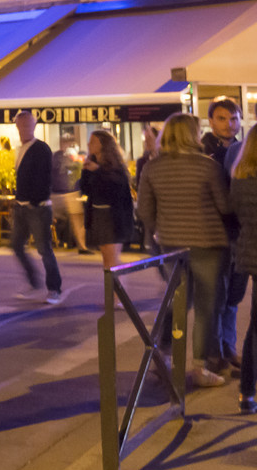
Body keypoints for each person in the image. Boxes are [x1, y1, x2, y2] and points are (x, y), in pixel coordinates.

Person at [138, 112, 234, 386]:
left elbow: (144, 211)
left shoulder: (152, 168)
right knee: (206, 307)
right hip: (209, 243)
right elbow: (225, 206)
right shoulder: (208, 167)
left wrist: (164, 228)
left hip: (171, 244)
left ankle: (163, 353)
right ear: (192, 135)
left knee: (176, 301)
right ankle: (200, 367)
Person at [205, 98, 246, 368]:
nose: (229, 124)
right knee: (215, 297)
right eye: (222, 118)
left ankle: (228, 347)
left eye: (233, 119)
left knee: (234, 295)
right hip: (214, 232)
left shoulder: (247, 149)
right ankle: (214, 352)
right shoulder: (202, 152)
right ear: (210, 121)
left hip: (241, 233)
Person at [9, 110, 64, 304]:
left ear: (33, 126)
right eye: (21, 126)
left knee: (44, 248)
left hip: (37, 207)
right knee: (16, 245)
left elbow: (44, 178)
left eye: (27, 125)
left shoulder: (41, 149)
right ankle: (34, 282)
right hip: (22, 206)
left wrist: (33, 201)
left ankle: (54, 288)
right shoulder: (20, 149)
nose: (24, 129)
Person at [228, 139, 257, 413]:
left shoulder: (240, 180)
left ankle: (247, 392)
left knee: (254, 328)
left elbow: (234, 215)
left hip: (251, 255)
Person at [81, 130, 134, 271]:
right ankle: (114, 291)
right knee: (107, 260)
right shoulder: (92, 163)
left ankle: (116, 292)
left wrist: (98, 170)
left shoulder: (114, 167)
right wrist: (86, 171)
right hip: (98, 215)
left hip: (112, 218)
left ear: (103, 145)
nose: (88, 144)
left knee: (111, 261)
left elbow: (115, 189)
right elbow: (85, 189)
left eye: (93, 141)